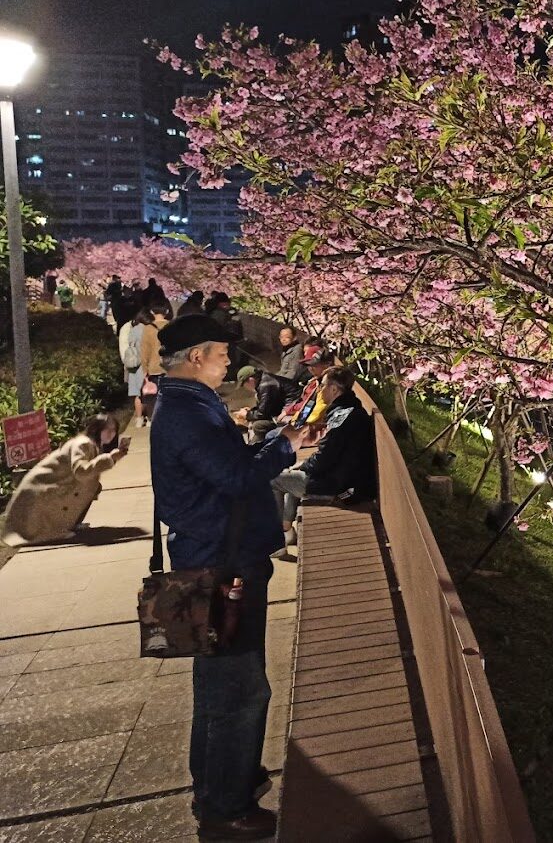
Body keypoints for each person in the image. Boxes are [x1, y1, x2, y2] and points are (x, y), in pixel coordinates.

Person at [150, 314, 321, 840]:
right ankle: (226, 807)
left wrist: (276, 441)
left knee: (216, 683)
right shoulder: (186, 412)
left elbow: (226, 466)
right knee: (240, 689)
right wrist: (285, 442)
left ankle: (217, 782)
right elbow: (236, 476)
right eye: (222, 354)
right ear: (197, 356)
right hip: (222, 564)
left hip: (214, 555)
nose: (228, 362)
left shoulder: (188, 403)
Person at [270, 367, 375, 551]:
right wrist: (303, 465)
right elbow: (328, 453)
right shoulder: (349, 409)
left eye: (323, 385)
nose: (319, 390)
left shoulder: (342, 416)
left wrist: (303, 466)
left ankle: (279, 538)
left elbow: (324, 459)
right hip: (344, 478)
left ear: (334, 389)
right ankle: (286, 530)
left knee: (271, 479)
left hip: (338, 486)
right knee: (289, 475)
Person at [1, 414, 129, 546]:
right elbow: (81, 471)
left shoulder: (91, 444)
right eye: (108, 429)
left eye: (114, 430)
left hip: (51, 485)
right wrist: (109, 458)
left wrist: (111, 458)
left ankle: (71, 523)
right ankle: (56, 529)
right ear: (97, 429)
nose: (111, 434)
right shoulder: (83, 443)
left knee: (93, 487)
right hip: (43, 488)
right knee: (90, 487)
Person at [277, 345, 335, 426]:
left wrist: (297, 424)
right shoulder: (314, 381)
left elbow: (315, 411)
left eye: (314, 365)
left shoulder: (328, 385)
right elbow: (304, 403)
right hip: (300, 416)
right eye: (308, 365)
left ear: (327, 365)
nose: (310, 368)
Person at [233, 366, 286, 444]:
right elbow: (265, 407)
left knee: (257, 425)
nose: (245, 388)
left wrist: (247, 415)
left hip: (288, 413)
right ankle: (253, 445)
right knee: (255, 424)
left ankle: (256, 446)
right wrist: (250, 411)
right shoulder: (264, 381)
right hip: (280, 409)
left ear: (251, 380)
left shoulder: (266, 385)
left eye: (244, 384)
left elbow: (263, 413)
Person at [138, 304, 172, 426]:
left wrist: (144, 369)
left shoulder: (148, 329)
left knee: (153, 396)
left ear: (152, 312)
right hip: (170, 367)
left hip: (154, 367)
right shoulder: (173, 326)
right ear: (166, 311)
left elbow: (144, 351)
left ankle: (153, 418)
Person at [120, 309, 149, 421]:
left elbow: (130, 343)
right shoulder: (149, 330)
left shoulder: (133, 330)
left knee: (137, 395)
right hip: (145, 364)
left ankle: (139, 418)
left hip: (135, 366)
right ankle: (149, 418)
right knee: (148, 394)